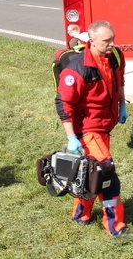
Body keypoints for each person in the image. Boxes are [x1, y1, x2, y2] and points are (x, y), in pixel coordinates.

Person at [55, 21, 128, 237]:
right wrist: (71, 137)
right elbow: (63, 103)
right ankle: (115, 226)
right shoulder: (78, 68)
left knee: (89, 174)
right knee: (105, 173)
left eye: (113, 38)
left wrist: (122, 104)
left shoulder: (115, 56)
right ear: (92, 40)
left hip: (104, 126)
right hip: (86, 129)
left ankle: (80, 214)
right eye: (107, 41)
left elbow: (120, 80)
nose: (112, 44)